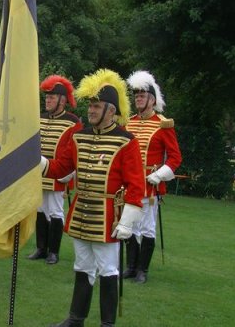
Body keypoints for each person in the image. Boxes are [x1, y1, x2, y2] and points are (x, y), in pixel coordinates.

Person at [41, 69, 145, 326]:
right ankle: (76, 318)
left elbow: (136, 184)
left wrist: (127, 221)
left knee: (108, 270)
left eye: (97, 106)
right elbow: (61, 169)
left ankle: (107, 323)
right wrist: (36, 160)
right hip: (80, 212)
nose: (91, 111)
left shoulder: (126, 141)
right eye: (90, 106)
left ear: (112, 110)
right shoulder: (79, 136)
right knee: (82, 266)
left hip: (108, 216)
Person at [123, 70, 182, 284]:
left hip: (150, 185)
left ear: (152, 99)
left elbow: (175, 157)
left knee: (146, 228)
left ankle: (142, 270)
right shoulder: (127, 123)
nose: (138, 98)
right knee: (130, 225)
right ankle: (130, 267)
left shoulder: (163, 124)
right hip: (130, 184)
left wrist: (159, 175)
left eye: (142, 95)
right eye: (136, 95)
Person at [28, 75, 82, 265]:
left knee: (55, 212)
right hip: (37, 173)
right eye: (47, 97)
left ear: (62, 100)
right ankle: (41, 248)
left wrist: (68, 174)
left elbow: (73, 150)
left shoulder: (73, 122)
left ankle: (54, 252)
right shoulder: (40, 118)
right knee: (40, 210)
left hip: (58, 174)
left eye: (52, 97)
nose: (47, 100)